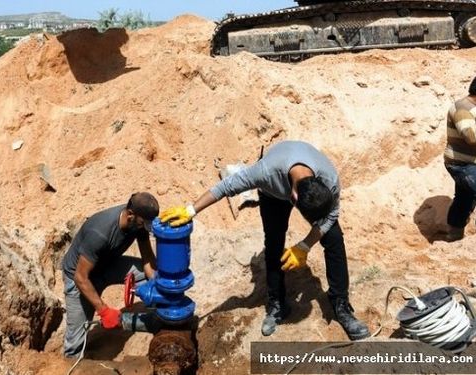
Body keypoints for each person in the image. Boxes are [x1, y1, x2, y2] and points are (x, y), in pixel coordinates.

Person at [160, 140, 370, 340]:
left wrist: (305, 246)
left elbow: (330, 216)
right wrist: (190, 210)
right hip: (273, 193)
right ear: (294, 198)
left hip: (303, 178)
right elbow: (226, 187)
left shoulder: (329, 180)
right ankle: (277, 303)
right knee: (274, 242)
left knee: (334, 238)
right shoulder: (265, 172)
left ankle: (341, 305)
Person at [61, 192, 159, 357]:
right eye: (144, 223)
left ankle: (158, 312)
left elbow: (148, 259)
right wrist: (104, 311)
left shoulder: (139, 223)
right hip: (80, 278)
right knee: (75, 345)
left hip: (106, 266)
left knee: (144, 274)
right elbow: (80, 277)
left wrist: (158, 285)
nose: (146, 228)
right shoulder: (100, 233)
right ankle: (73, 364)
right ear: (130, 215)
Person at [444, 74, 476, 241]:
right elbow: (472, 137)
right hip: (462, 165)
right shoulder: (463, 109)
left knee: (464, 200)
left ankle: (453, 237)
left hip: (471, 165)